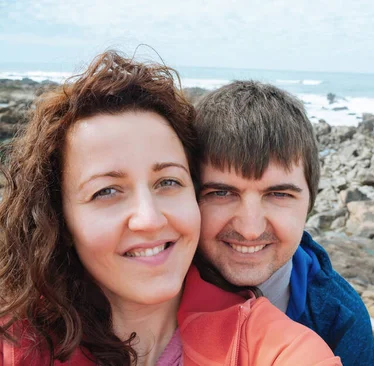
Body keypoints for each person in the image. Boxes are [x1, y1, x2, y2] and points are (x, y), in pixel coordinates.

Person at [0, 51, 341, 366]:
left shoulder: (279, 345)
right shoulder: (16, 341)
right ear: (58, 217)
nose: (149, 219)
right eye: (106, 191)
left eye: (167, 182)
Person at [194, 80, 374, 366]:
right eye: (222, 193)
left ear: (310, 203)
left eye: (278, 194)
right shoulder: (150, 288)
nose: (250, 229)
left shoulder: (340, 319)